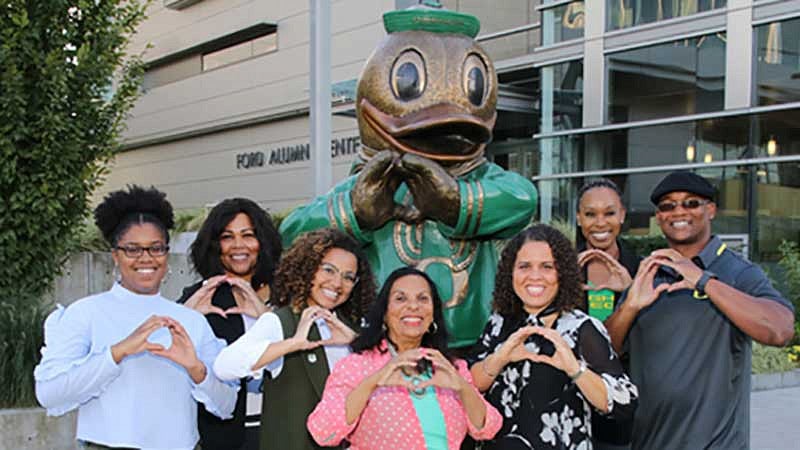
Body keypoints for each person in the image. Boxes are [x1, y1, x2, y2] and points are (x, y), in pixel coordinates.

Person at [34, 185, 237, 450]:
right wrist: (117, 353)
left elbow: (226, 405)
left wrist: (196, 369)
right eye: (133, 249)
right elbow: (49, 393)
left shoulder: (190, 320)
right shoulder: (85, 313)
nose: (146, 258)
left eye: (156, 248)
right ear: (115, 256)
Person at [605, 171, 795, 450]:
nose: (678, 211)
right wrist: (630, 306)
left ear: (711, 210)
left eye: (691, 203)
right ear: (659, 217)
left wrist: (703, 280)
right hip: (648, 443)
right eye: (668, 205)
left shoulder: (737, 272)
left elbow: (781, 330)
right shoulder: (649, 273)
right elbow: (604, 350)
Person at [469, 224, 638, 450]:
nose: (535, 276)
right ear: (511, 272)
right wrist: (500, 358)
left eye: (547, 266)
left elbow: (623, 404)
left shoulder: (581, 328)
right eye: (524, 266)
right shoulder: (498, 322)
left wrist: (575, 369)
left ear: (563, 273)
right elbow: (469, 386)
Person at [214, 228, 377, 450]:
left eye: (348, 277)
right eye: (328, 270)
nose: (337, 283)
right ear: (307, 268)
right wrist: (292, 343)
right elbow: (224, 367)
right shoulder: (280, 322)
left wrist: (356, 343)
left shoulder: (354, 329)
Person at [307, 266, 502, 449]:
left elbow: (488, 428)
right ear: (384, 313)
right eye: (401, 299)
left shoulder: (451, 367)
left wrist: (462, 387)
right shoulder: (357, 365)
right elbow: (324, 433)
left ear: (433, 314)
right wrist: (372, 383)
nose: (413, 306)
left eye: (423, 299)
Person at [179, 198, 282, 450]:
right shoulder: (202, 296)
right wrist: (187, 314)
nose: (238, 245)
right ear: (215, 245)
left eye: (248, 235)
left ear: (263, 242)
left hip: (281, 428)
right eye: (227, 236)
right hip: (222, 435)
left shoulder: (287, 293)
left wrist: (265, 314)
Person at [576, 178, 641, 450]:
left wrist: (629, 291)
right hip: (574, 398)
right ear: (579, 219)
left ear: (622, 215)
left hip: (627, 402)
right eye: (590, 214)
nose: (600, 223)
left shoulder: (641, 270)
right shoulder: (557, 270)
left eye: (609, 213)